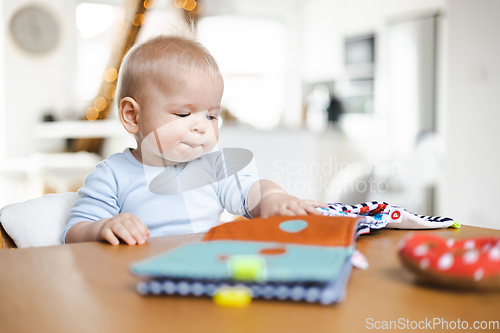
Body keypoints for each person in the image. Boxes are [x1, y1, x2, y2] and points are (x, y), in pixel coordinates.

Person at [63, 34, 327, 246]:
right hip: (142, 277)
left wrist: (273, 198)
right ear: (133, 116)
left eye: (212, 116)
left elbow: (249, 191)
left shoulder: (211, 166)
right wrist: (101, 228)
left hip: (206, 268)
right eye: (184, 113)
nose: (201, 126)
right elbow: (73, 233)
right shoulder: (112, 175)